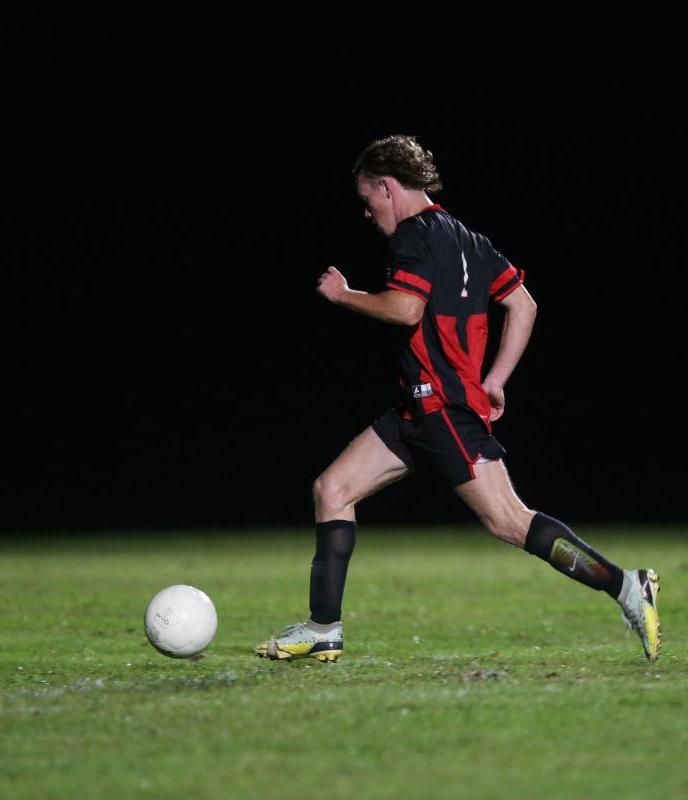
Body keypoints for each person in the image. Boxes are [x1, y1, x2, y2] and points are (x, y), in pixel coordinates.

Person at [254, 135, 661, 662]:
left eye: (368, 198)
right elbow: (524, 305)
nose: (367, 212)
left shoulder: (414, 234)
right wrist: (497, 380)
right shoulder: (469, 239)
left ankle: (627, 586)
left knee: (510, 521)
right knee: (332, 490)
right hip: (416, 409)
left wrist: (344, 294)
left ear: (387, 186)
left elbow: (405, 309)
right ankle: (323, 628)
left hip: (443, 407)